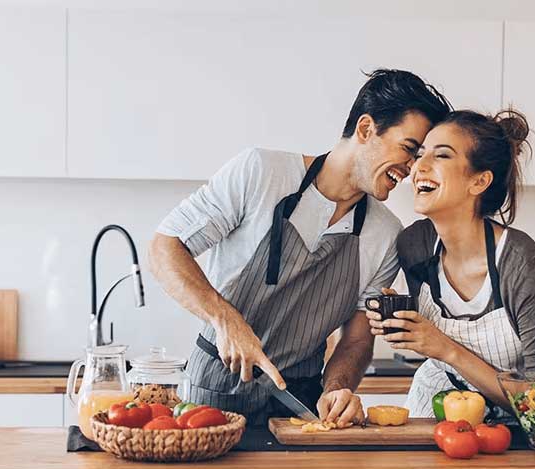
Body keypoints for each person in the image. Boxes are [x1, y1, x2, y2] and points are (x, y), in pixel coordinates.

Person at [149, 69, 451, 426]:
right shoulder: (261, 173)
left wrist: (337, 389)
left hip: (300, 403)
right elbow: (165, 246)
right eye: (409, 149)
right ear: (366, 129)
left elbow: (356, 340)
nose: (414, 168)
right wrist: (224, 318)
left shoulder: (385, 234)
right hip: (215, 392)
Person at [366, 109, 535, 418]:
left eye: (442, 156)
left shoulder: (522, 264)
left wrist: (443, 347)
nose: (419, 166)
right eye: (420, 155)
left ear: (479, 181)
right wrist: (400, 318)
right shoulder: (414, 244)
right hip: (432, 408)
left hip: (513, 426)